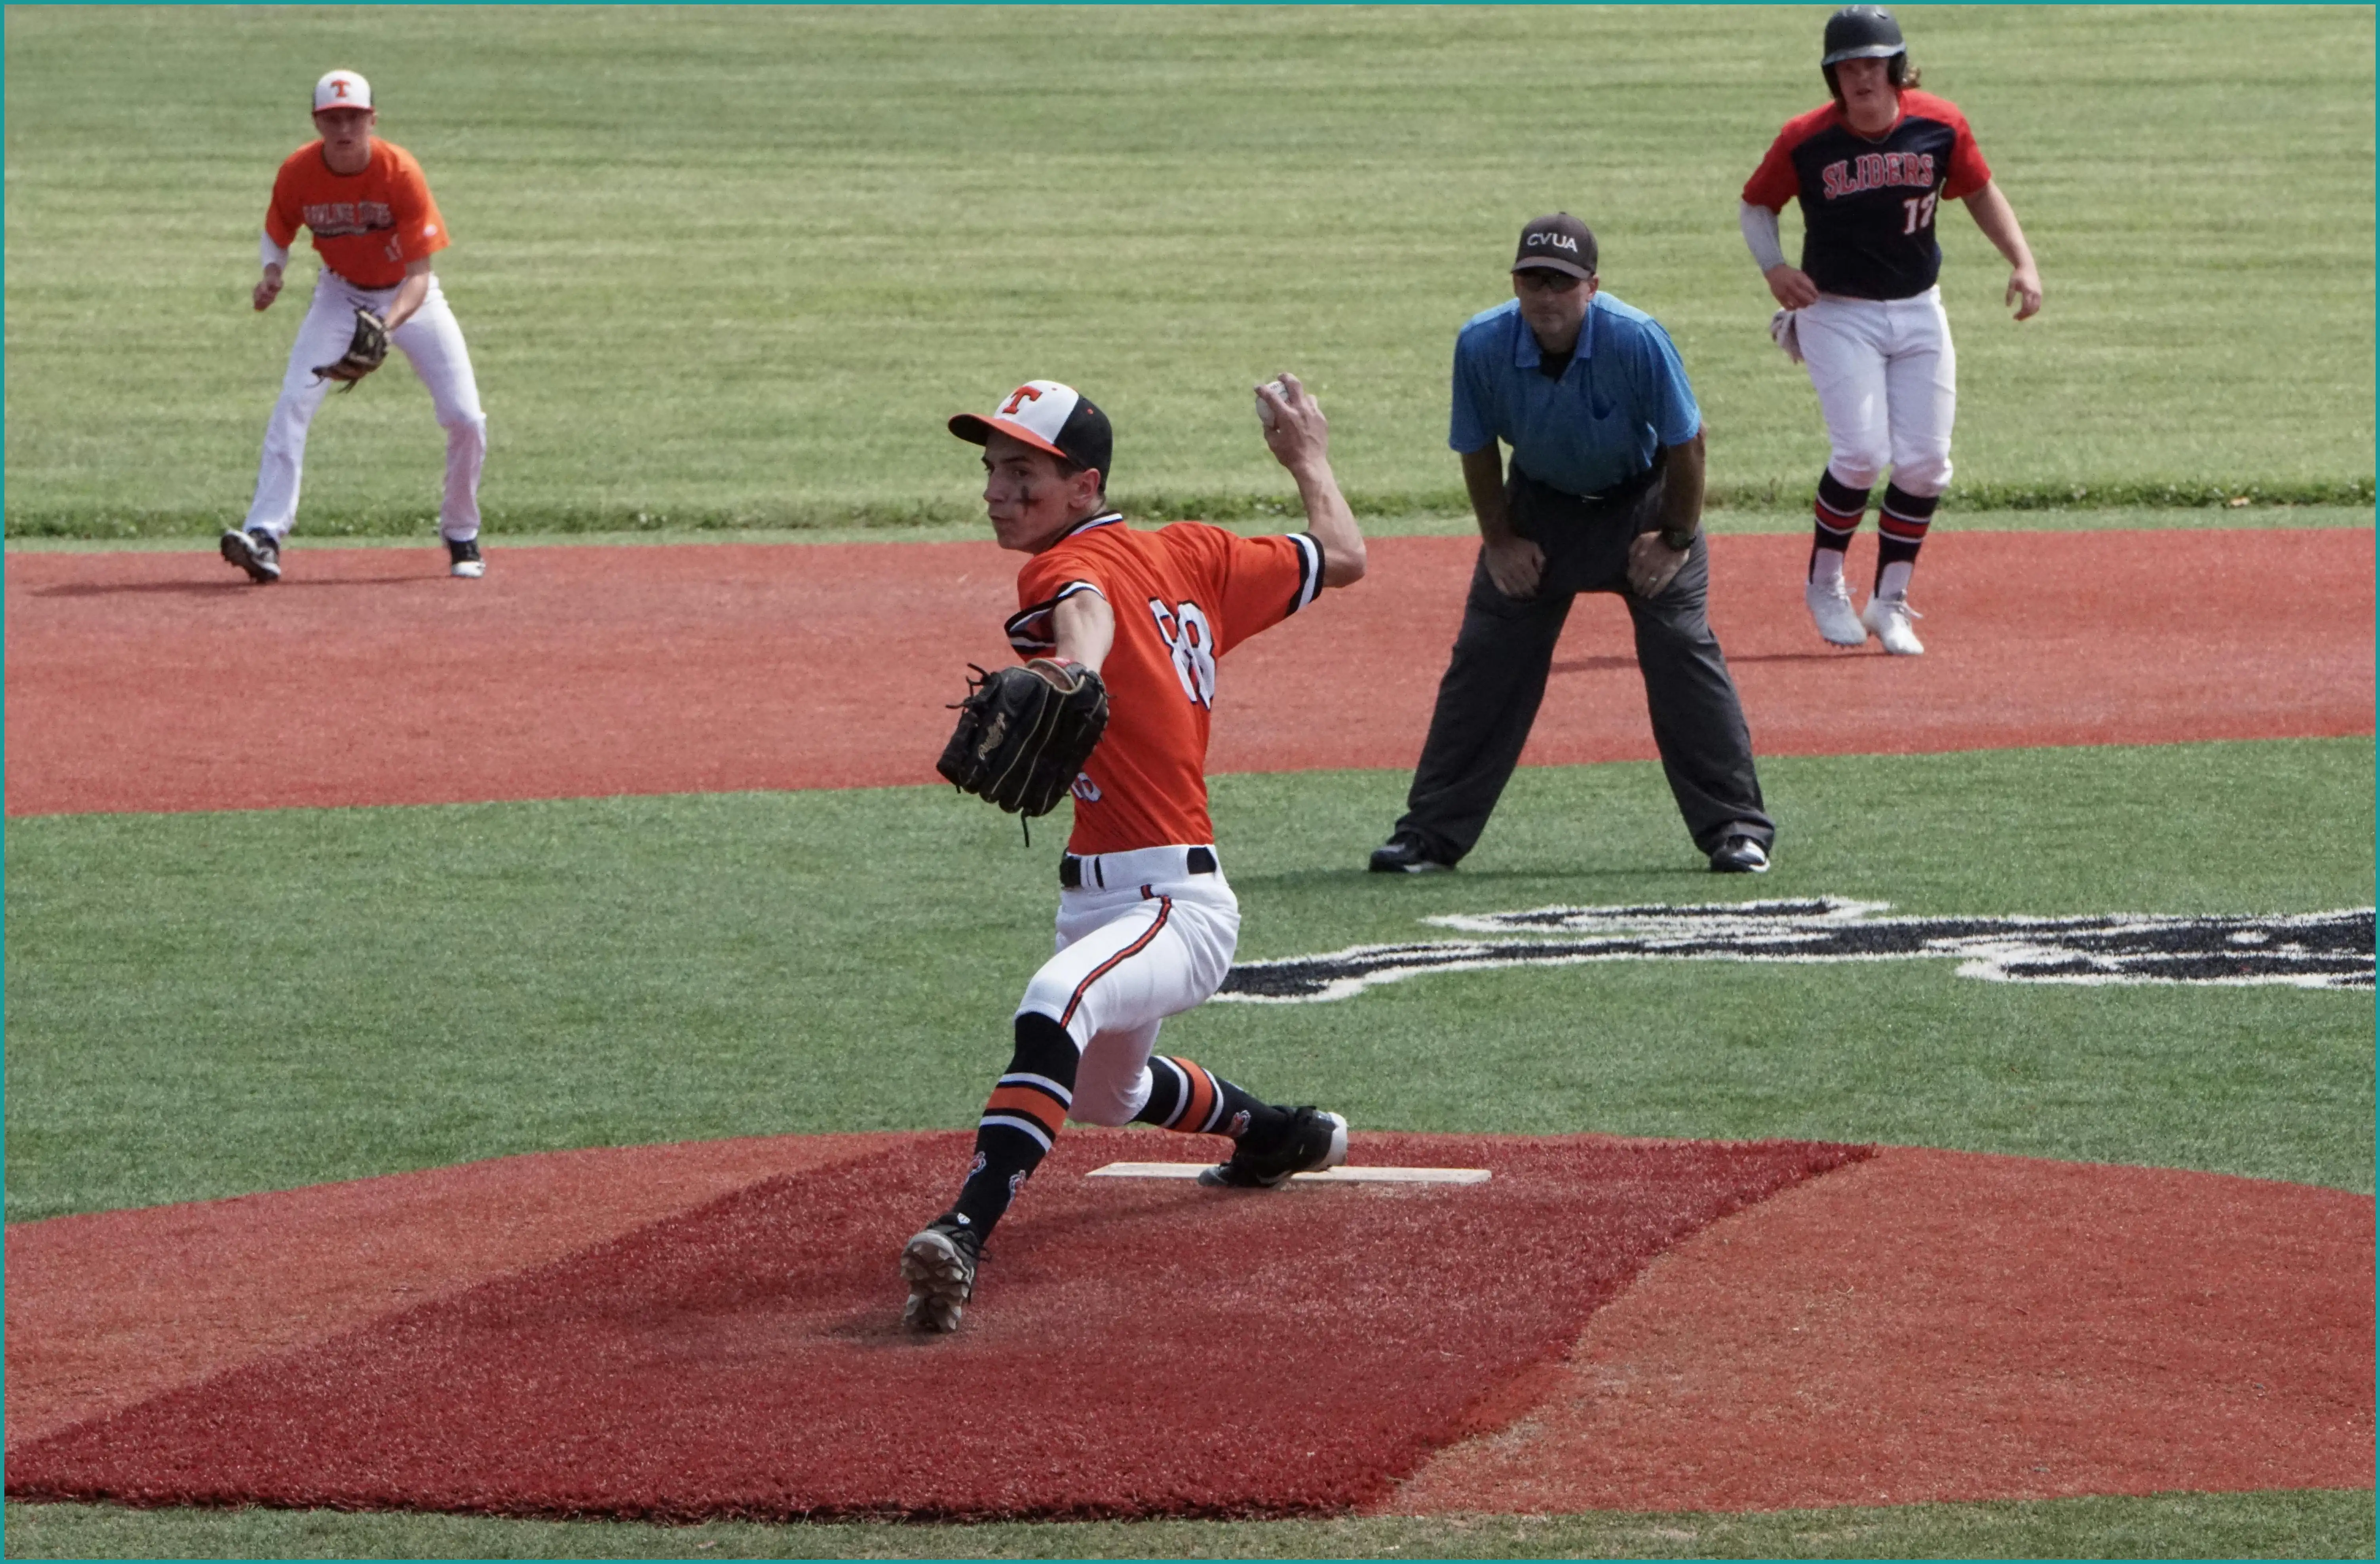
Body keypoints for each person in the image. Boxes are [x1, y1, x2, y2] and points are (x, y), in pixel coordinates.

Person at [901, 374, 1367, 1334]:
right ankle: (1278, 1133)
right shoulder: (1191, 554)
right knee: (1111, 1091)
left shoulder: (1059, 572)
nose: (997, 490)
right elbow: (1344, 555)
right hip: (1109, 900)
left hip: (1174, 904)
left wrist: (1073, 667)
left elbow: (1084, 609)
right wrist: (1309, 463)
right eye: (992, 469)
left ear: (1085, 485)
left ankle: (964, 1229)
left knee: (1053, 1003)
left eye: (1022, 471)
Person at [1369, 213, 1775, 878]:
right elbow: (1475, 450)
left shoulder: (1636, 338)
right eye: (1533, 280)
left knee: (1680, 649)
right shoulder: (1481, 344)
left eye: (1561, 282)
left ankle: (1736, 829)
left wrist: (1675, 539)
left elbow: (1689, 444)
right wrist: (1499, 540)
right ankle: (1429, 836)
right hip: (1539, 508)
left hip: (1645, 504)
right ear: (1516, 283)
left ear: (1592, 287)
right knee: (1485, 658)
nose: (1546, 297)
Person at [1741, 5, 2042, 655]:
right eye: (1847, 67)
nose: (1861, 78)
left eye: (1873, 64)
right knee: (1859, 452)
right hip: (1836, 310)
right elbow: (1756, 202)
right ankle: (1825, 584)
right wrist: (1774, 269)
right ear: (1833, 77)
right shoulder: (1806, 139)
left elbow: (1981, 190)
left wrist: (2022, 260)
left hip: (1918, 308)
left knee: (1928, 464)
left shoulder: (1940, 124)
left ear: (1896, 68)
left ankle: (1890, 601)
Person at [223, 69, 489, 585]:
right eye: (332, 118)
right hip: (339, 292)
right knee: (294, 403)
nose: (343, 128)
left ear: (372, 119)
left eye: (353, 117)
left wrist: (384, 328)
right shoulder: (299, 172)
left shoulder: (400, 172)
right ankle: (264, 535)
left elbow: (419, 276)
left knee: (465, 418)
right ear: (317, 122)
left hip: (409, 299)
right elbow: (277, 229)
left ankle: (461, 532)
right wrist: (273, 273)